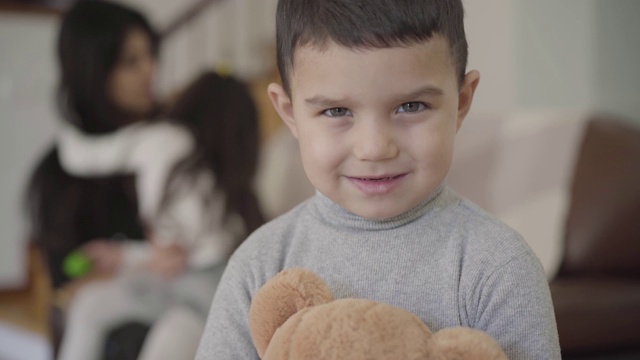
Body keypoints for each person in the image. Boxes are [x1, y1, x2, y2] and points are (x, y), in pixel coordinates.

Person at [195, 0, 561, 359]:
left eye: (411, 106)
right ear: (290, 114)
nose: (374, 148)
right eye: (336, 111)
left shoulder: (497, 267)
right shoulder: (259, 265)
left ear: (461, 103)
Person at [55, 69, 264, 359]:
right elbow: (184, 254)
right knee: (166, 332)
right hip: (207, 292)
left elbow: (81, 156)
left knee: (90, 308)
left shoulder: (167, 139)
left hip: (187, 287)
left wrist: (72, 102)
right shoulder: (237, 192)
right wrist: (125, 255)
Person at [24, 0, 160, 356]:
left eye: (150, 55)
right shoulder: (60, 173)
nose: (151, 70)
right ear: (93, 71)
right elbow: (68, 282)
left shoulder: (170, 148)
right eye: (132, 61)